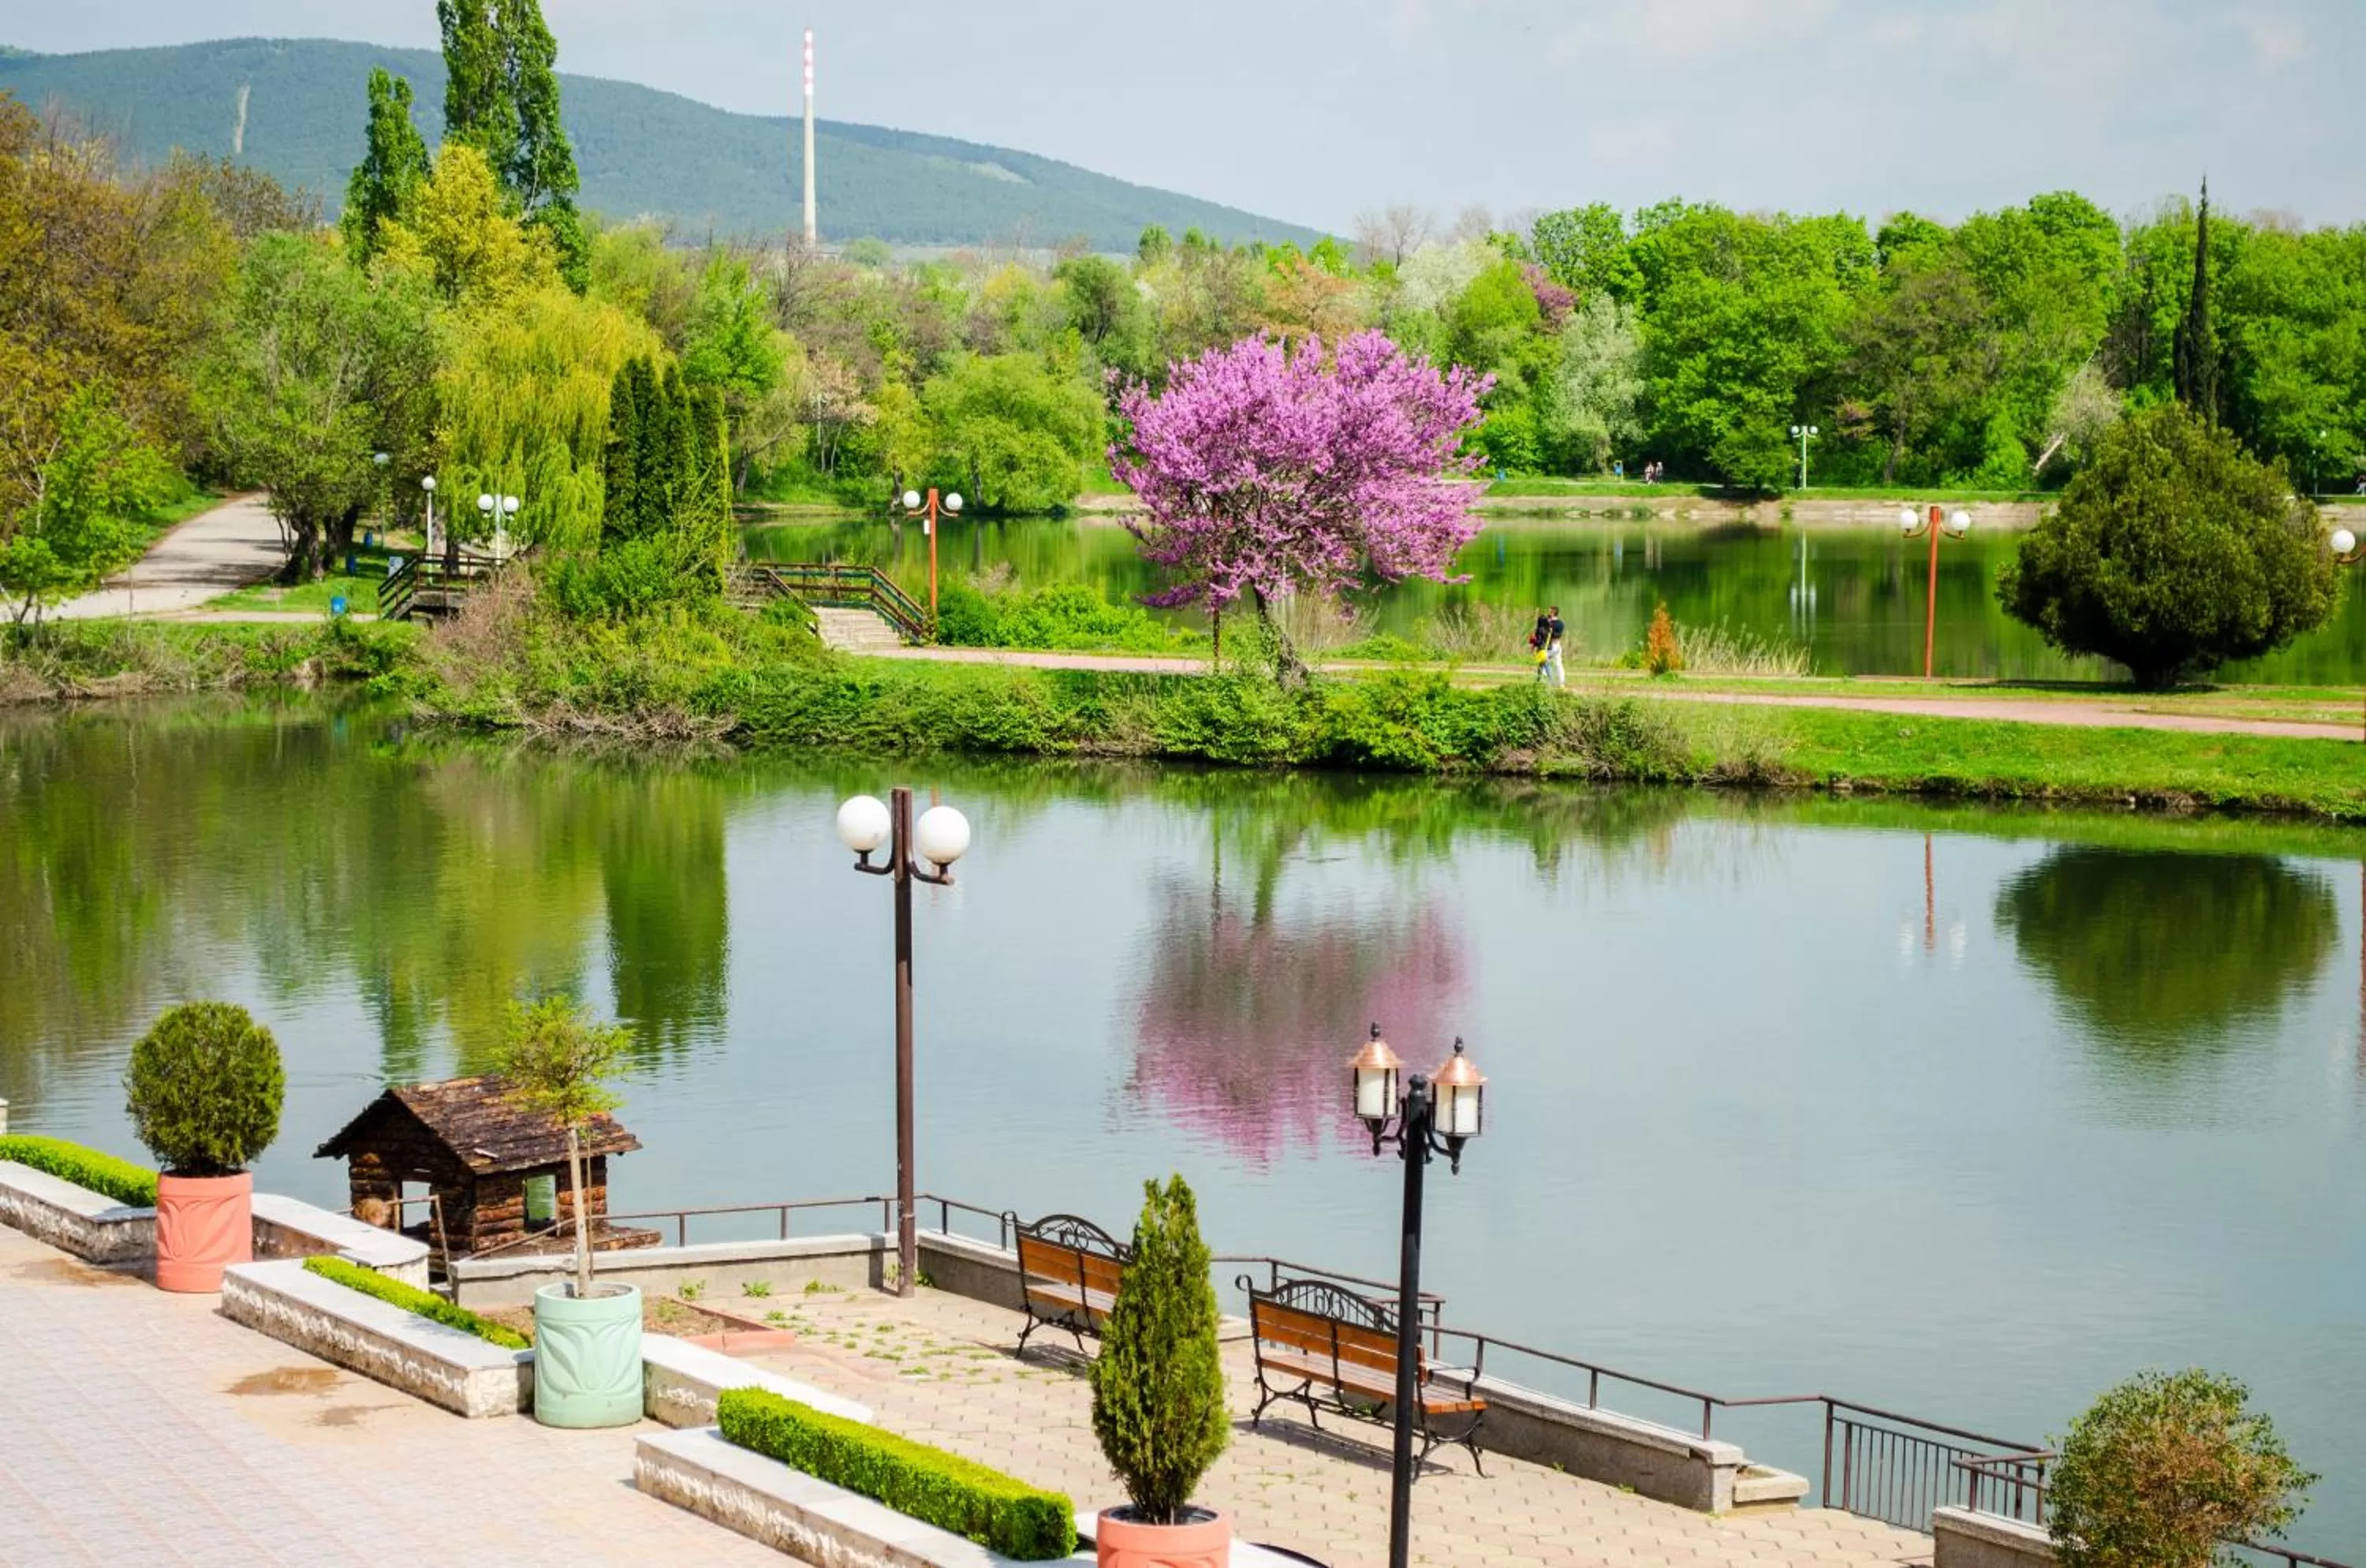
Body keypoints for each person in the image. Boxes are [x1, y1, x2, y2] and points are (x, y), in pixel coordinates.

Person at [1543, 604, 1566, 688]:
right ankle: (1561, 683)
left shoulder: (1549, 623)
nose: (1548, 612)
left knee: (1543, 662)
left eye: (1549, 611)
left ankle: (1545, 681)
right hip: (1558, 645)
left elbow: (1545, 634)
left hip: (1549, 646)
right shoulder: (1561, 623)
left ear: (1553, 613)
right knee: (1558, 664)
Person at [1529, 608, 1551, 681]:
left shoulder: (1539, 630)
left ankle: (1551, 680)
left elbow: (1539, 641)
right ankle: (1538, 680)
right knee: (1541, 666)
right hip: (1547, 648)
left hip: (1541, 649)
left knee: (1545, 665)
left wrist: (1533, 641)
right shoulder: (1548, 629)